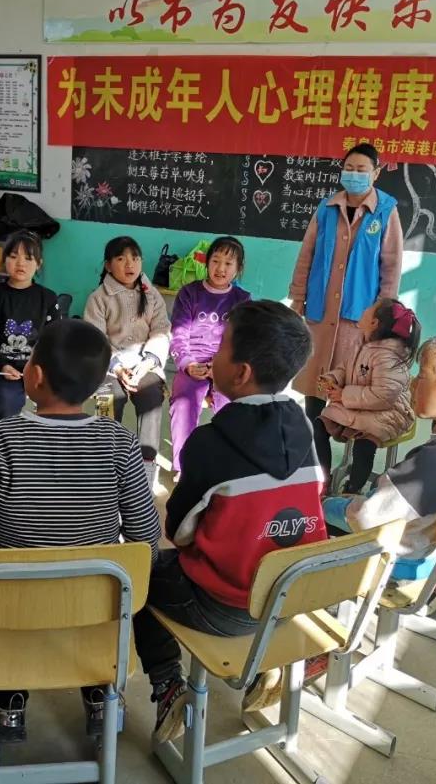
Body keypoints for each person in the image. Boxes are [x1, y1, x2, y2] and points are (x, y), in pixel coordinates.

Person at [0, 318, 160, 743]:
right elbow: (145, 535)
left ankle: (7, 708)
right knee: (99, 606)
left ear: (35, 376)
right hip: (96, 603)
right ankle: (101, 699)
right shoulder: (121, 442)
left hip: (11, 604)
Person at [132, 300, 325, 743]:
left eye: (220, 347)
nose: (212, 355)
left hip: (222, 608)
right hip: (288, 599)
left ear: (240, 373)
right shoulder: (305, 429)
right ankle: (264, 667)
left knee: (140, 574)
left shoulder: (209, 443)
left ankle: (167, 684)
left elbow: (178, 532)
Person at [334, 331, 436, 560]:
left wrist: (331, 505)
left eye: (422, 375)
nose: (412, 383)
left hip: (394, 562)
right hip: (432, 555)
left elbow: (366, 518)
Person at [288, 142, 404, 432]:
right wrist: (298, 297)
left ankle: (338, 441)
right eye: (349, 168)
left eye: (361, 169)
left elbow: (391, 266)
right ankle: (315, 441)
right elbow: (306, 254)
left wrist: (383, 314)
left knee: (349, 383)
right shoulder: (327, 208)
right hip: (321, 308)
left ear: (376, 173)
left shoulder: (385, 211)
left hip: (359, 316)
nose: (354, 174)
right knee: (315, 381)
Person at [84, 236, 171, 486]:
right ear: (108, 265)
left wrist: (148, 363)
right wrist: (118, 367)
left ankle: (146, 466)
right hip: (110, 367)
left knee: (152, 397)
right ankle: (104, 464)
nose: (129, 264)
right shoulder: (98, 297)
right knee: (108, 399)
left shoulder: (151, 295)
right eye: (121, 259)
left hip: (145, 364)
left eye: (135, 258)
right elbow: (96, 339)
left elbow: (162, 330)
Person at [316, 298, 419, 494]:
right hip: (358, 404)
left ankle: (352, 490)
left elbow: (384, 395)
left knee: (365, 444)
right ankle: (323, 479)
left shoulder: (388, 355)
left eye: (369, 308)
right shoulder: (361, 344)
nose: (364, 308)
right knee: (319, 425)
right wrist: (332, 379)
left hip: (389, 412)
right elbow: (344, 369)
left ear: (374, 323)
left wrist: (343, 395)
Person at [168, 236, 251, 478]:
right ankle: (184, 467)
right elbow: (178, 334)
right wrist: (188, 364)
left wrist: (222, 365)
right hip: (193, 362)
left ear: (238, 269)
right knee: (183, 402)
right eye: (215, 260)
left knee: (231, 406)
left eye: (228, 263)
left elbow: (243, 340)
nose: (220, 268)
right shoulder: (189, 293)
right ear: (207, 262)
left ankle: (224, 466)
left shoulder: (242, 299)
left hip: (226, 363)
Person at [0, 229, 60, 423]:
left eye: (28, 258)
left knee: (61, 402)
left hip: (39, 370)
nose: (20, 263)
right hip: (1, 368)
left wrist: (40, 368)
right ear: (4, 259)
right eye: (13, 256)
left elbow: (54, 341)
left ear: (38, 264)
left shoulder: (48, 298)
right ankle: (0, 437)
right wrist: (3, 365)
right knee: (6, 402)